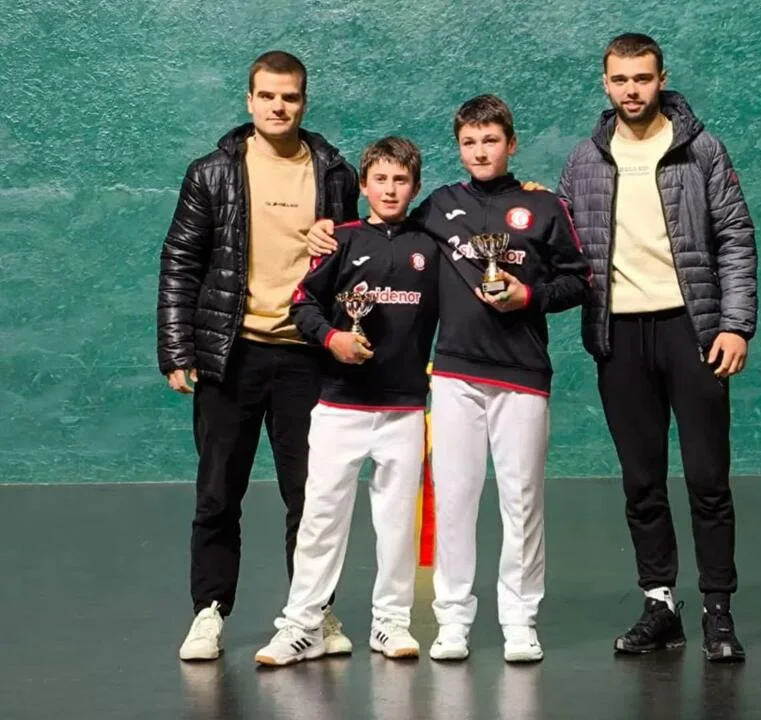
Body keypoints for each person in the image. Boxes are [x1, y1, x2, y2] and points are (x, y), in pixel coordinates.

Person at [307, 95, 590, 663]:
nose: (480, 151)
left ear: (511, 144)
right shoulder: (439, 206)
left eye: (491, 141)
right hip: (455, 376)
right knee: (455, 500)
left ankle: (520, 620)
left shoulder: (545, 207)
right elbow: (383, 228)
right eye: (469, 142)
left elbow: (578, 281)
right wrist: (325, 229)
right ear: (459, 148)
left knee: (522, 501)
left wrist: (528, 295)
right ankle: (453, 620)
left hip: (523, 376)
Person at [557, 33, 758, 662]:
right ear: (605, 83)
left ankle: (718, 613)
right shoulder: (583, 161)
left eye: (642, 78)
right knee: (642, 482)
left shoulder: (701, 149)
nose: (631, 90)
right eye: (620, 80)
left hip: (692, 332)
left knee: (707, 480)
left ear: (661, 78)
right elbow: (562, 246)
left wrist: (735, 325)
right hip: (619, 336)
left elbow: (735, 236)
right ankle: (660, 606)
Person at [156, 50, 358, 661]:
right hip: (230, 354)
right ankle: (210, 611)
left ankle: (313, 613)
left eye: (289, 96)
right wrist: (177, 348)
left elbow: (357, 260)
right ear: (249, 101)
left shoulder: (335, 173)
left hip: (306, 357)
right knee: (219, 493)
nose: (278, 106)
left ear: (304, 101)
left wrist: (336, 245)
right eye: (267, 95)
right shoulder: (212, 173)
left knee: (312, 498)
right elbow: (180, 261)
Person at [254, 136, 439, 665]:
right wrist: (333, 338)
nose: (390, 189)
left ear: (415, 187)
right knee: (320, 518)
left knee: (396, 524)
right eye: (380, 179)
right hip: (339, 406)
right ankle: (302, 627)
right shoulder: (339, 240)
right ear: (363, 185)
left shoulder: (431, 246)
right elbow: (302, 304)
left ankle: (391, 623)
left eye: (400, 180)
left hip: (404, 409)